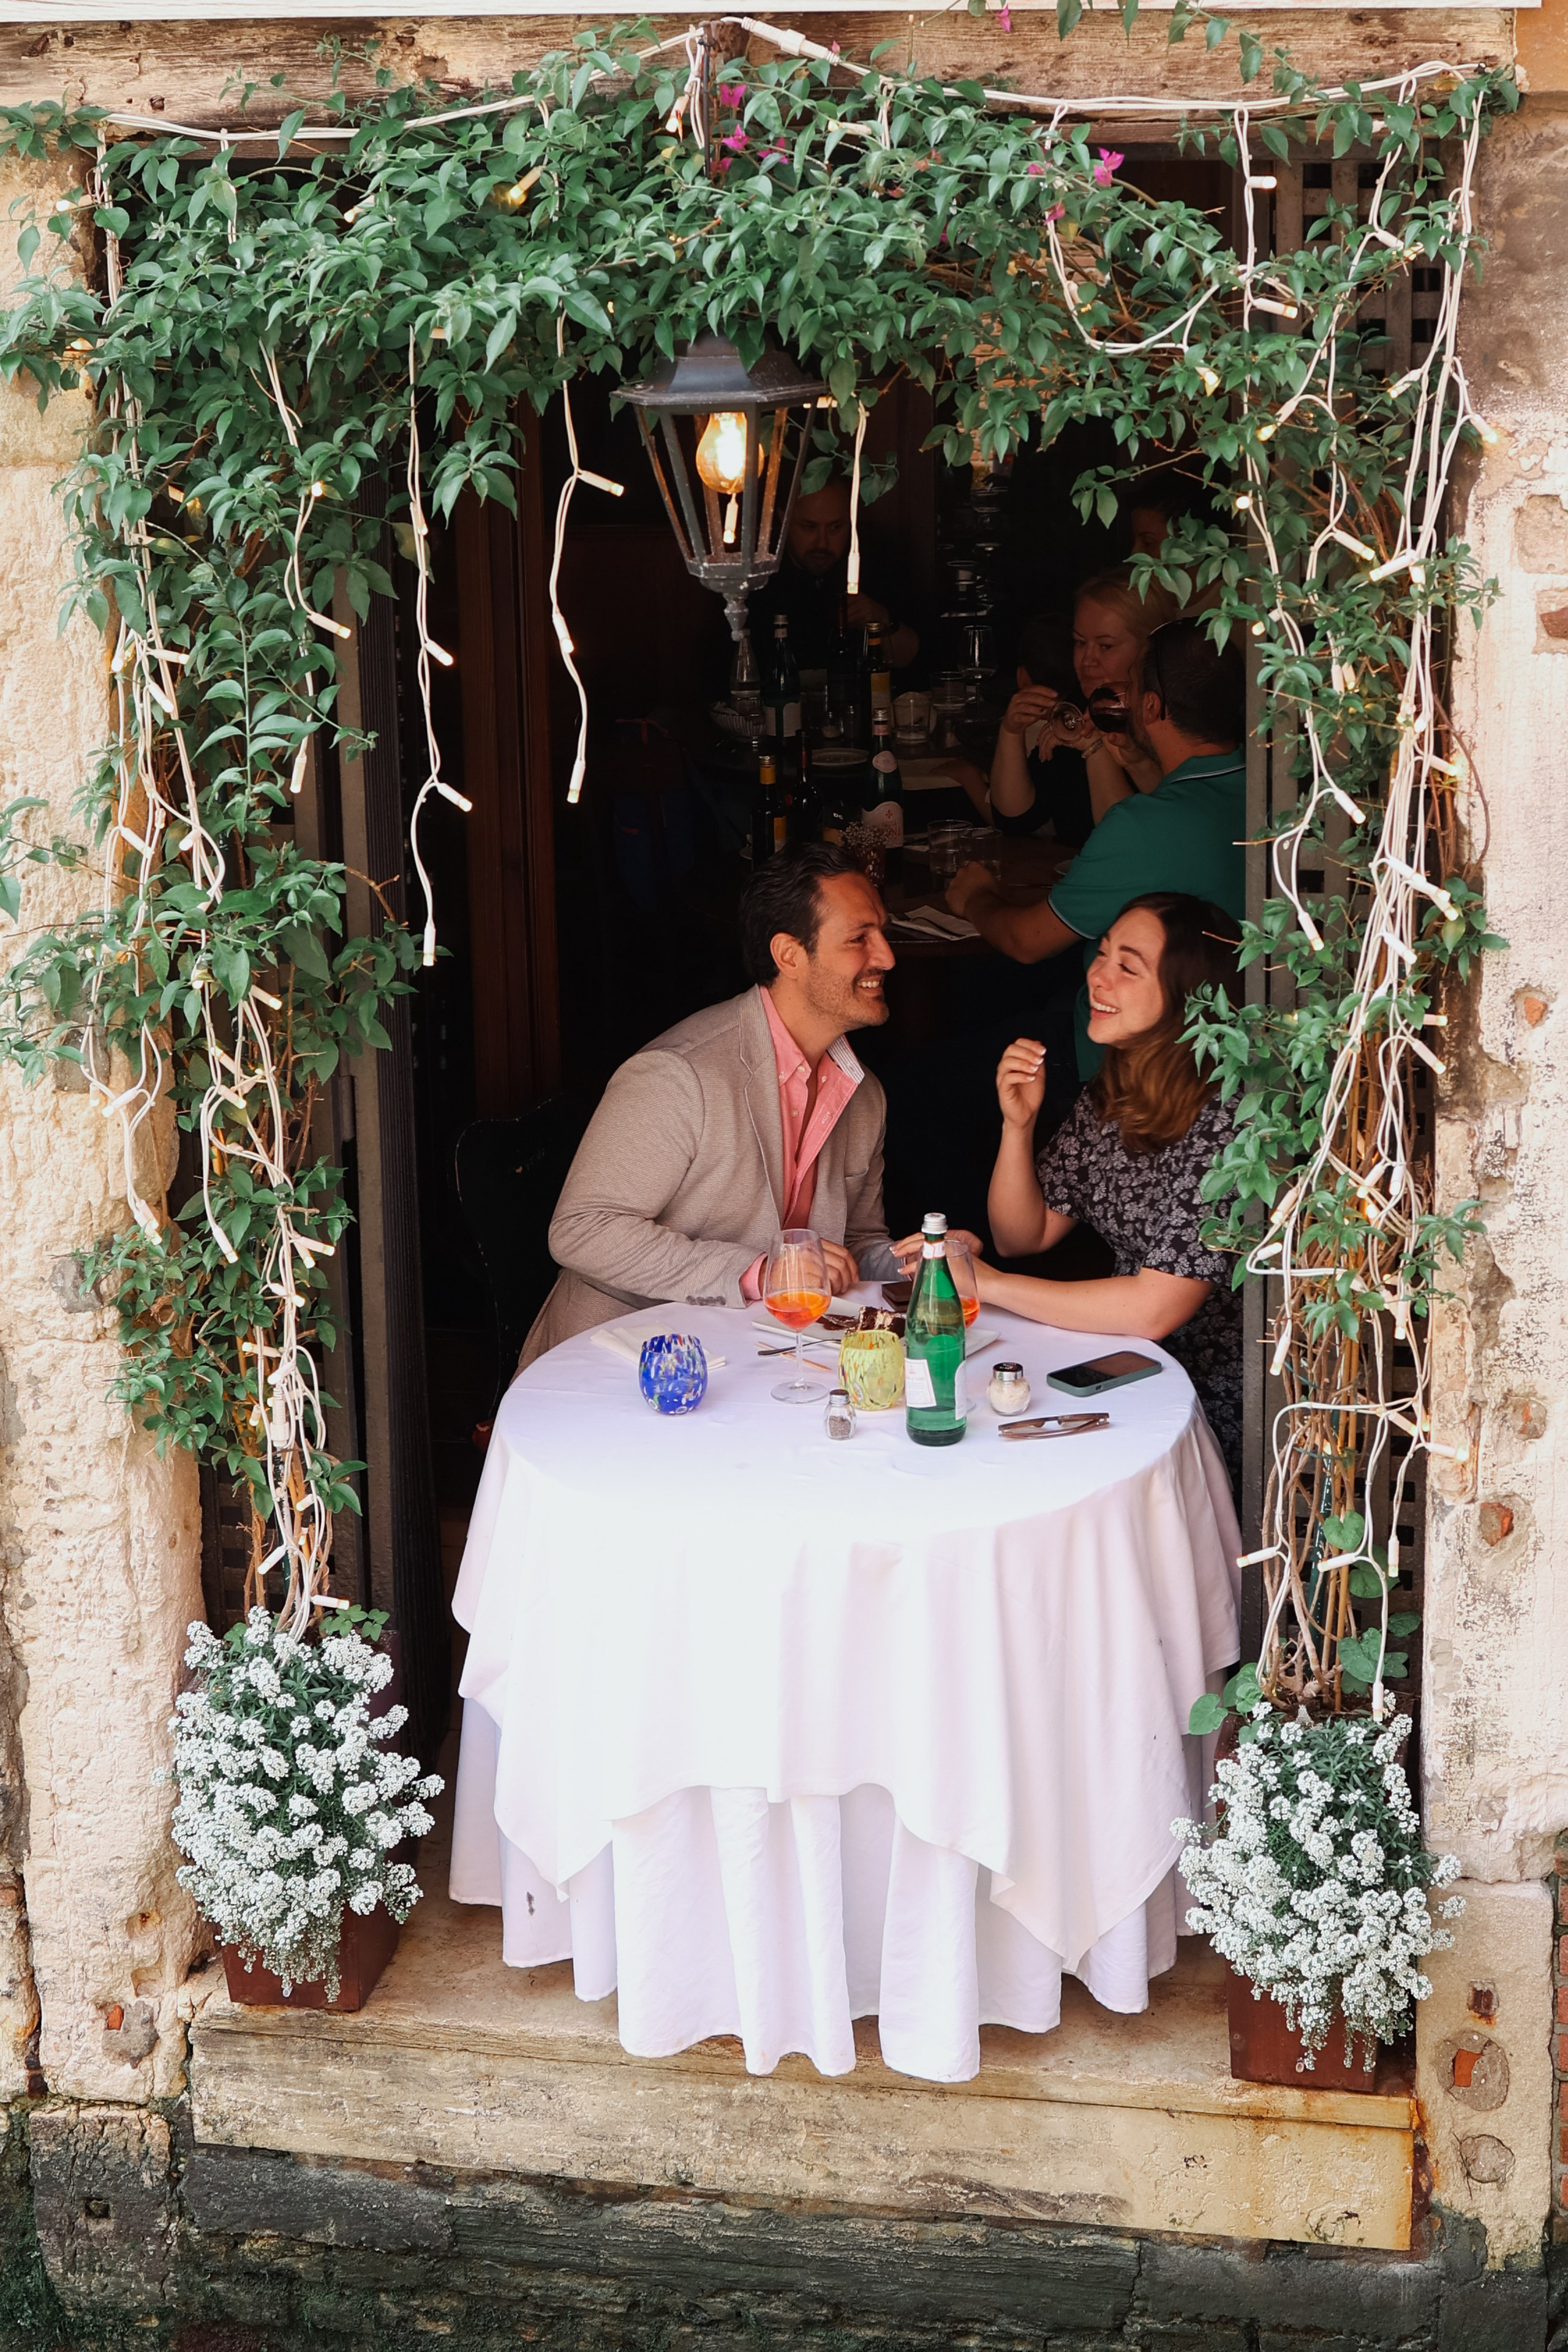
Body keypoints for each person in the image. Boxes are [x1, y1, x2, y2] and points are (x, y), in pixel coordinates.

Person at [522, 845, 900, 1362]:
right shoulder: (681, 1074)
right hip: (620, 1364)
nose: (887, 956)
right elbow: (581, 1231)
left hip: (761, 1361)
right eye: (860, 938)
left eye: (881, 932)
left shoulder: (864, 1094)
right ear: (789, 955)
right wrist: (760, 1273)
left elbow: (852, 1245)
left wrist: (920, 1263)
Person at [956, 894, 1243, 1485]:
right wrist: (1018, 1125)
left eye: (1127, 966)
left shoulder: (1232, 1117)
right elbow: (1021, 1235)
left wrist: (989, 1285)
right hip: (1125, 1368)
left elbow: (1155, 1308)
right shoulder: (1115, 1092)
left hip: (1216, 1403)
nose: (1098, 973)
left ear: (1188, 996)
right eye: (1103, 952)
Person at [947, 617, 1246, 1098]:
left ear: (1150, 706)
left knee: (918, 1084)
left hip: (1133, 1066)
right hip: (1225, 1052)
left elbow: (1026, 942)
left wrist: (976, 897)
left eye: (1131, 687)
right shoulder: (1264, 790)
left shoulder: (1145, 824)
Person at [989, 572, 1178, 841]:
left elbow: (1129, 841)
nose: (1087, 660)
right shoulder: (1075, 708)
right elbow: (1016, 818)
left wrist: (1096, 749)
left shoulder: (1172, 718)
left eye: (1105, 646)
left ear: (1148, 648)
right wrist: (1011, 732)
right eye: (1080, 643)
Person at [743, 475, 919, 673]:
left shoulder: (877, 558)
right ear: (783, 520)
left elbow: (916, 658)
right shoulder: (757, 576)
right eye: (809, 527)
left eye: (835, 527)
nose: (822, 544)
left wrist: (881, 620)